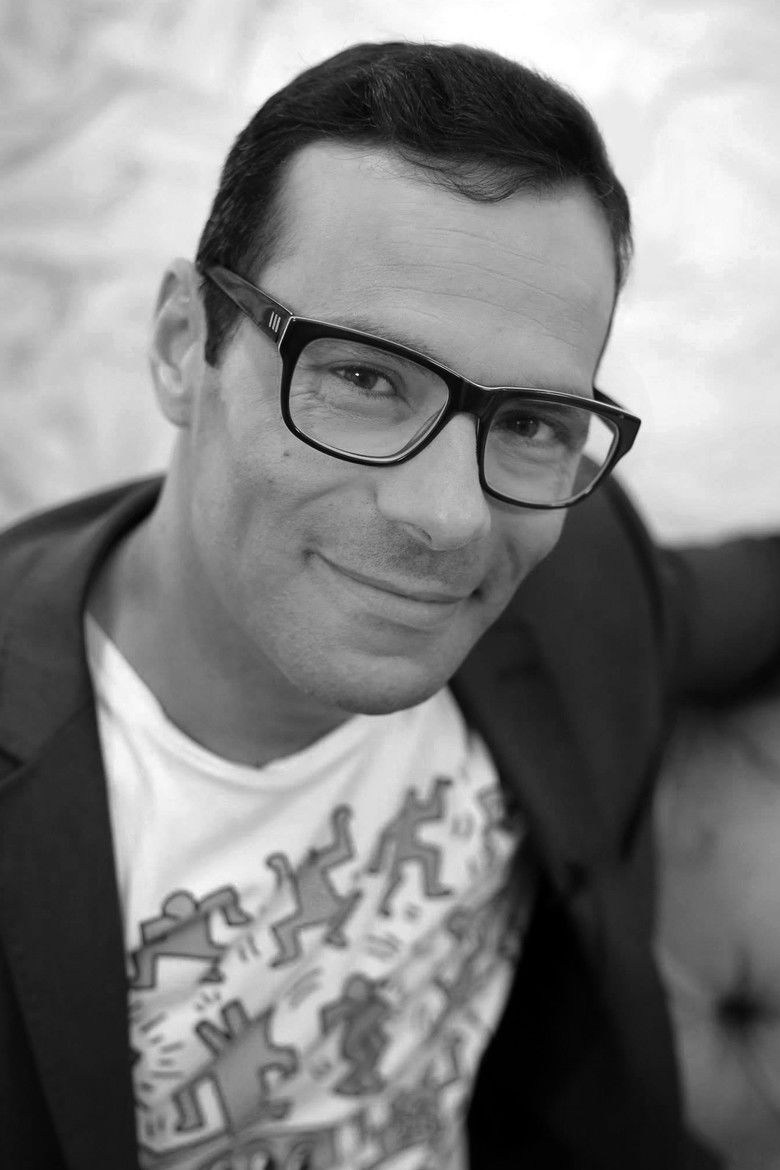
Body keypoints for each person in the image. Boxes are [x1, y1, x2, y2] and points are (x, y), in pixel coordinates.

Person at [0, 40, 778, 1170]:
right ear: (181, 345)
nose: (451, 518)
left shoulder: (583, 575)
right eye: (364, 377)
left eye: (530, 422)